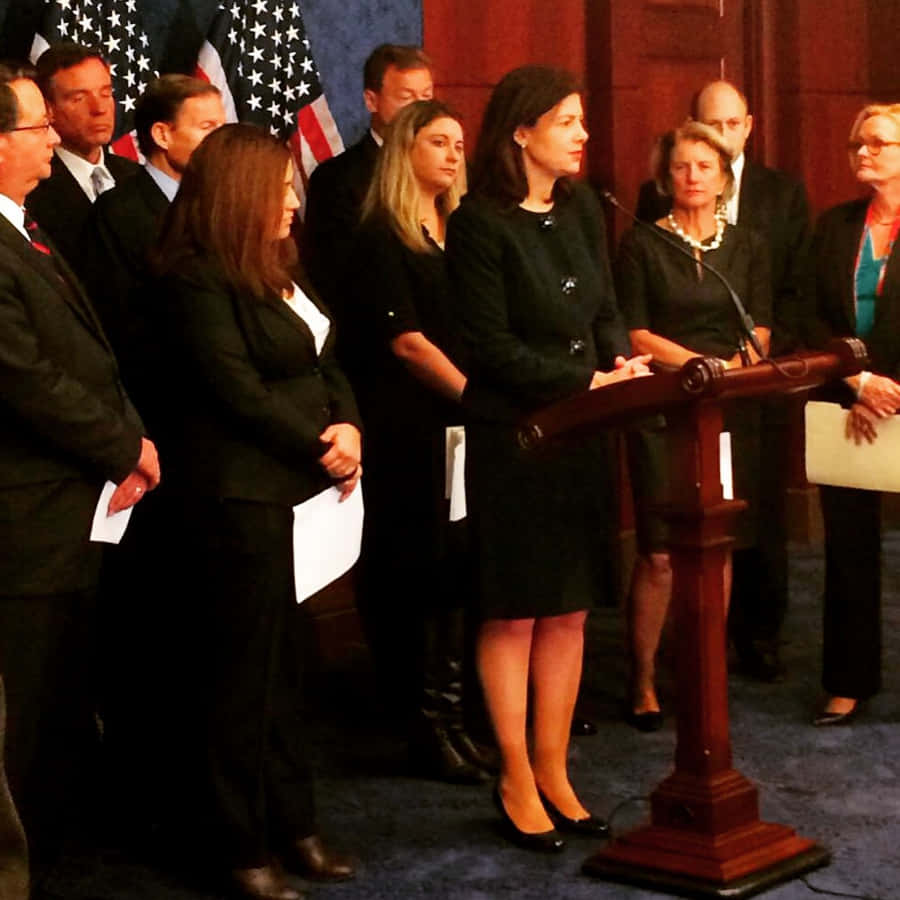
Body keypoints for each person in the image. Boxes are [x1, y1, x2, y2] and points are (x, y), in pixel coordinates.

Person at [446, 65, 651, 851]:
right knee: (517, 610)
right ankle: (515, 776)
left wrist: (620, 365)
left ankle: (555, 769)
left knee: (567, 610)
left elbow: (605, 311)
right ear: (522, 131)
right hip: (517, 440)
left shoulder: (582, 209)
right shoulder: (478, 223)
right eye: (568, 121)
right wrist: (584, 381)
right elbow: (487, 348)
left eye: (582, 120)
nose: (583, 134)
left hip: (582, 434)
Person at [154, 123, 360, 899]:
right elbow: (234, 389)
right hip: (238, 502)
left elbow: (327, 356)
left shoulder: (280, 265)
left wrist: (350, 426)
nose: (292, 201)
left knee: (289, 671)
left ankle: (294, 823)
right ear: (239, 196)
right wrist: (320, 445)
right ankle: (240, 843)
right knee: (242, 678)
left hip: (298, 498)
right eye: (277, 190)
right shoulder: (196, 280)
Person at [0, 63, 158, 874]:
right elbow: (25, 378)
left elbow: (92, 355)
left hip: (71, 512)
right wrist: (123, 446)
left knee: (60, 708)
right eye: (36, 125)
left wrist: (130, 436)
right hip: (24, 522)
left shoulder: (27, 226)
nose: (51, 137)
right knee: (19, 718)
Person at [637, 80, 809, 683]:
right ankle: (653, 672)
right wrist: (692, 367)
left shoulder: (777, 202)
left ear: (748, 129)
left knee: (745, 527)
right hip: (669, 394)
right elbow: (638, 318)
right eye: (711, 126)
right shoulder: (648, 221)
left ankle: (742, 646)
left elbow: (783, 297)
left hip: (747, 385)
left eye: (732, 126)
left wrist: (746, 363)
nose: (698, 170)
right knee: (667, 544)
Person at [349, 99, 492, 783]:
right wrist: (477, 397)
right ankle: (423, 725)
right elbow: (407, 342)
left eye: (459, 143)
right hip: (410, 425)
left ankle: (454, 717)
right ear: (404, 152)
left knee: (457, 572)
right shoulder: (382, 235)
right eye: (438, 141)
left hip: (462, 429)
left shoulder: (461, 229)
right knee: (419, 570)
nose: (454, 154)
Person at [617, 121, 772, 730]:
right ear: (665, 177)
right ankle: (643, 680)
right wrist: (698, 368)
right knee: (659, 554)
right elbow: (635, 332)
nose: (692, 177)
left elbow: (760, 327)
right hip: (662, 408)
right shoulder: (642, 244)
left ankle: (701, 675)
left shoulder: (748, 244)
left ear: (724, 178)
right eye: (681, 166)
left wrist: (729, 370)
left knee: (715, 547)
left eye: (705, 166)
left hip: (724, 410)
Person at [806, 103, 900, 726]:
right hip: (848, 398)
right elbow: (807, 314)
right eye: (855, 144)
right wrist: (858, 383)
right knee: (848, 548)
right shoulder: (836, 226)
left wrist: (892, 393)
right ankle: (848, 680)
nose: (862, 153)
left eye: (877, 143)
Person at [83, 74, 226, 412]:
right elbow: (122, 324)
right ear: (162, 134)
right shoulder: (119, 213)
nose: (222, 142)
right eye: (208, 128)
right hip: (172, 403)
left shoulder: (225, 202)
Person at [304, 44, 433, 344]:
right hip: (374, 338)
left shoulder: (453, 170)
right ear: (371, 100)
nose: (420, 110)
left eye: (426, 97)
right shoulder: (337, 179)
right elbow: (335, 276)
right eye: (406, 98)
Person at [26, 43, 139, 268]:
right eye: (79, 98)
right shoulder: (32, 190)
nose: (100, 108)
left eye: (106, 93)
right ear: (48, 109)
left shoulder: (135, 176)